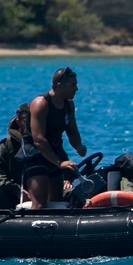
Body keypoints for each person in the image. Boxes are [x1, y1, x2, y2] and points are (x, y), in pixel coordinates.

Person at [23, 66, 87, 209]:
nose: (76, 89)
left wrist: (78, 146)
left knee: (56, 201)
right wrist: (59, 163)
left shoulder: (68, 104)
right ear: (59, 86)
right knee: (40, 203)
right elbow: (38, 139)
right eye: (73, 85)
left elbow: (72, 130)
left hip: (55, 150)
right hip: (35, 153)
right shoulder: (41, 103)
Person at [0, 103, 31, 209]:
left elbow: (58, 163)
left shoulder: (45, 141)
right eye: (27, 122)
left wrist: (65, 180)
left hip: (45, 191)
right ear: (18, 121)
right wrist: (17, 191)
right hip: (17, 193)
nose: (31, 126)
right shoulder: (8, 145)